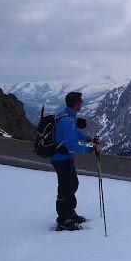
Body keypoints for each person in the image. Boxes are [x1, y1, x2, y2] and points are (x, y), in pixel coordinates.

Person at [50, 91, 102, 231]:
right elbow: (71, 144)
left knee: (72, 185)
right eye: (81, 101)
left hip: (65, 158)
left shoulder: (68, 116)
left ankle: (70, 213)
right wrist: (90, 150)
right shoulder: (67, 121)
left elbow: (76, 133)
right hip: (61, 159)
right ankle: (63, 220)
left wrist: (89, 140)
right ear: (76, 103)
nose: (82, 103)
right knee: (65, 188)